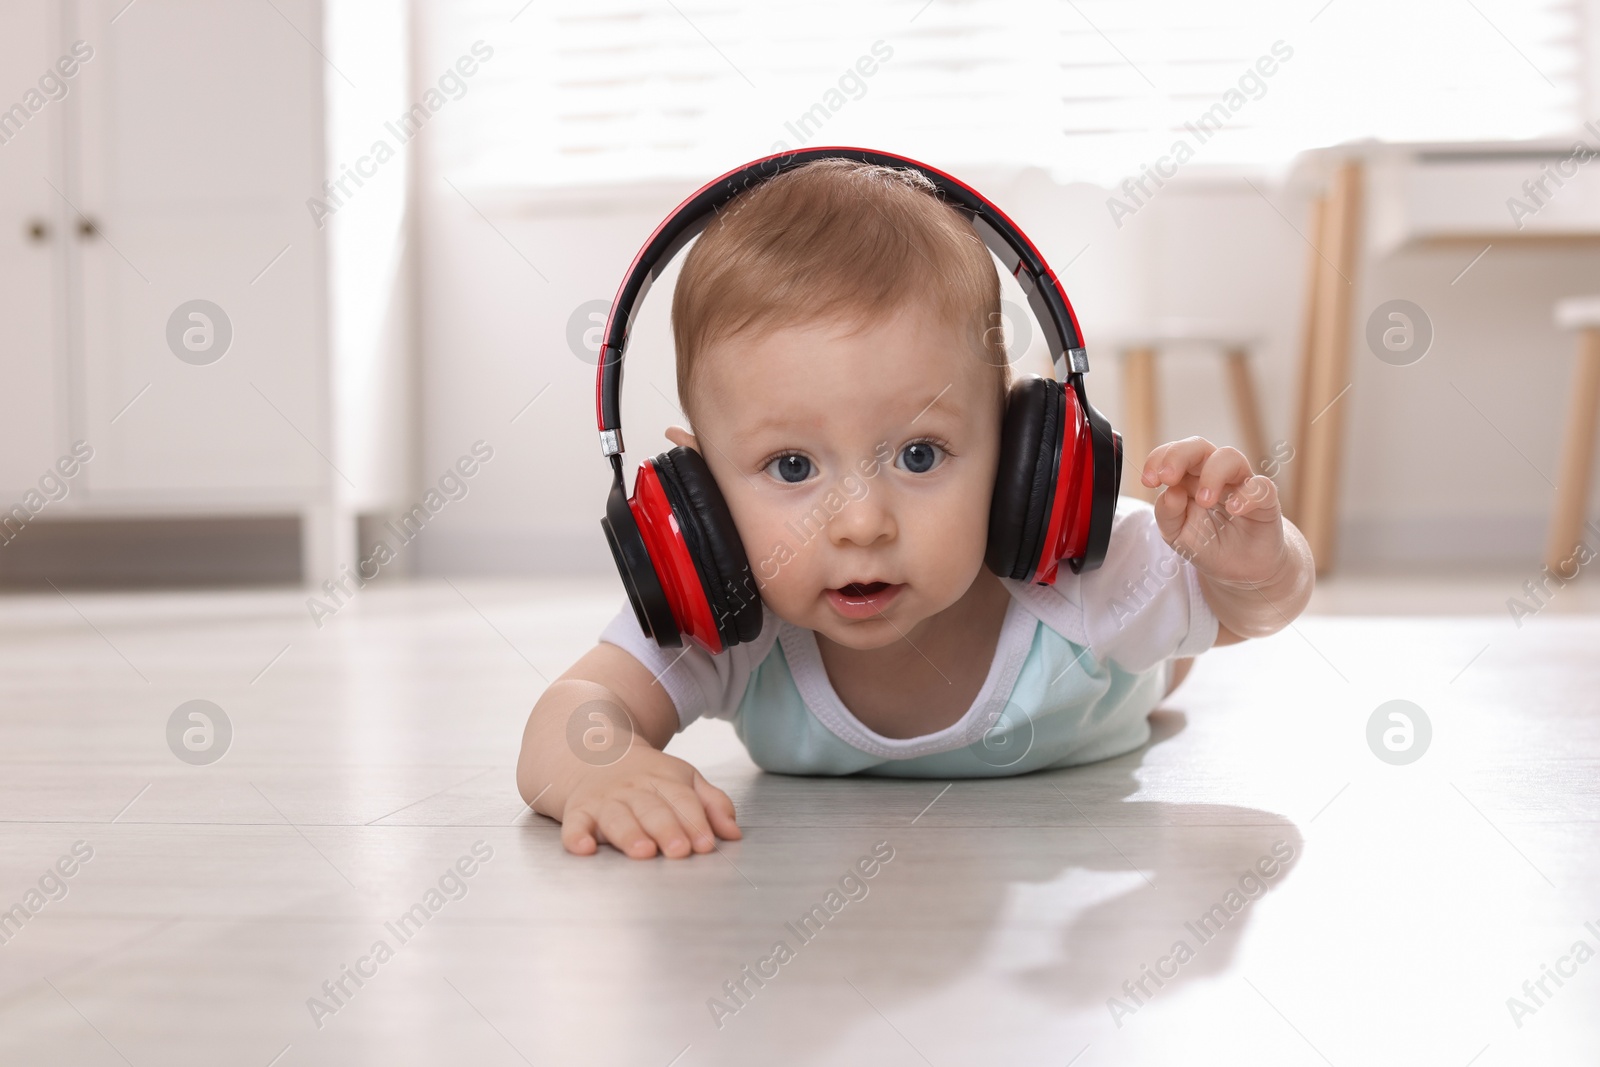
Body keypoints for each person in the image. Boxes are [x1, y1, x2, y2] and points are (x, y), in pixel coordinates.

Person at [515, 158, 1315, 859]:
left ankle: (1158, 656)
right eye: (791, 466)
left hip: (1102, 684)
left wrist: (1258, 561)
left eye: (920, 455)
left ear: (1015, 451)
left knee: (1163, 652)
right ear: (701, 494)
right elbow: (571, 715)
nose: (862, 522)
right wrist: (601, 764)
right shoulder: (729, 622)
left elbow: (1255, 611)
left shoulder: (1083, 572)